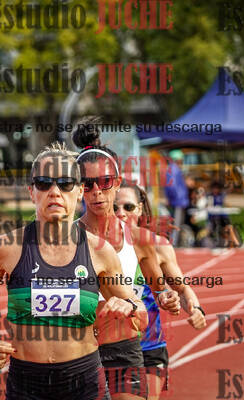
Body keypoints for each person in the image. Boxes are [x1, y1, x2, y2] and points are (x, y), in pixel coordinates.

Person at [0, 142, 148, 400]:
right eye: (44, 183)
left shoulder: (100, 252)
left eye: (65, 183)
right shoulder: (6, 248)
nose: (55, 192)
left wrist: (130, 306)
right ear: (31, 192)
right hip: (26, 383)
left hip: (83, 381)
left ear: (80, 191)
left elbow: (139, 313)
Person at [72, 120, 181, 400]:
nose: (97, 191)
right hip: (78, 350)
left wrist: (168, 297)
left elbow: (159, 290)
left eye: (105, 182)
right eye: (87, 184)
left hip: (124, 349)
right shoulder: (66, 239)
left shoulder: (140, 239)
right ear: (78, 188)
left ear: (117, 183)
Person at [114, 182, 207, 400]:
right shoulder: (97, 246)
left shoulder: (157, 245)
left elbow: (181, 289)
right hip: (112, 346)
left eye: (128, 207)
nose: (121, 213)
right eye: (114, 208)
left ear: (139, 208)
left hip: (150, 346)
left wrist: (196, 310)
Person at [164, 150, 189, 246]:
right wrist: (177, 197)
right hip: (178, 201)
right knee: (176, 224)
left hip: (178, 200)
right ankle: (173, 244)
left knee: (177, 223)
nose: (182, 161)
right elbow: (171, 186)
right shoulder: (173, 169)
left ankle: (175, 242)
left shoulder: (173, 169)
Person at [208, 181, 240, 248]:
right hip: (213, 217)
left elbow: (228, 192)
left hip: (222, 216)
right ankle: (231, 241)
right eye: (214, 188)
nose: (215, 190)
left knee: (229, 226)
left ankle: (234, 241)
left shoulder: (221, 195)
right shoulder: (210, 196)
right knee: (221, 228)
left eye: (217, 188)